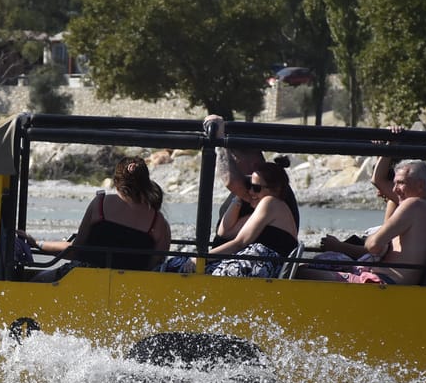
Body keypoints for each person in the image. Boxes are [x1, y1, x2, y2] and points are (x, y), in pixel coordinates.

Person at [300, 159, 426, 285]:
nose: (394, 189)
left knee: (300, 273)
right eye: (394, 183)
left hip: (382, 283)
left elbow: (373, 245)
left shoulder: (413, 204)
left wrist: (374, 241)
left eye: (400, 183)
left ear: (420, 185)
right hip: (390, 281)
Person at [23, 157, 171, 279]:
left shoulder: (100, 204)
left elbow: (76, 250)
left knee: (35, 280)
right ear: (145, 182)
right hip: (130, 287)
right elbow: (153, 268)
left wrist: (37, 243)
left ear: (116, 181)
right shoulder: (159, 223)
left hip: (82, 279)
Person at [177, 161, 299, 278]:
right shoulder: (269, 211)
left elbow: (240, 243)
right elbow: (225, 232)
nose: (250, 191)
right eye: (249, 186)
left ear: (275, 189)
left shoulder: (270, 203)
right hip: (257, 264)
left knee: (204, 273)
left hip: (262, 265)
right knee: (179, 263)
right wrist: (240, 197)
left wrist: (201, 258)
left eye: (256, 188)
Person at [204, 114, 300, 246]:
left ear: (253, 164)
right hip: (233, 258)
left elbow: (230, 180)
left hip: (247, 260)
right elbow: (224, 233)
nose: (232, 165)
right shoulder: (254, 187)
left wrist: (219, 141)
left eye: (234, 160)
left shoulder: (268, 191)